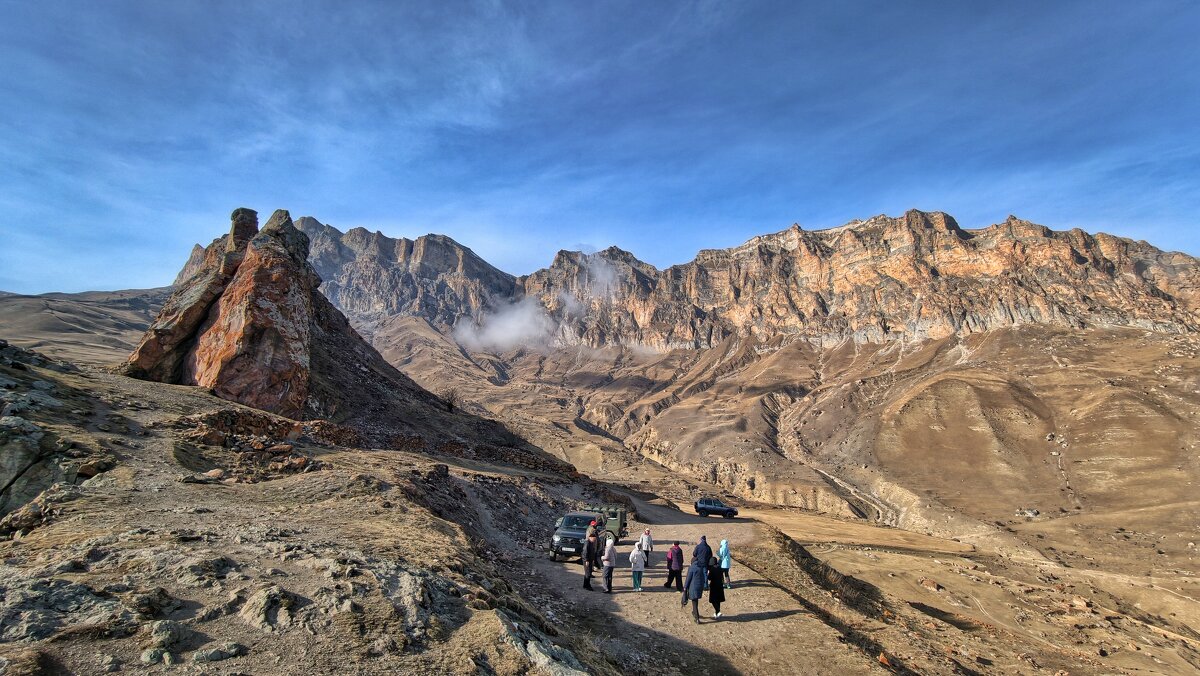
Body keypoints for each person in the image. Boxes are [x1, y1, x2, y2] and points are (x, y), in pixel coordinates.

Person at [681, 556, 706, 623]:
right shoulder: (701, 567)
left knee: (694, 602)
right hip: (699, 587)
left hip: (693, 587)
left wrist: (685, 587)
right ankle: (694, 613)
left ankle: (697, 618)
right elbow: (704, 577)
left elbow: (688, 579)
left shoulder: (691, 568)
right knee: (695, 601)